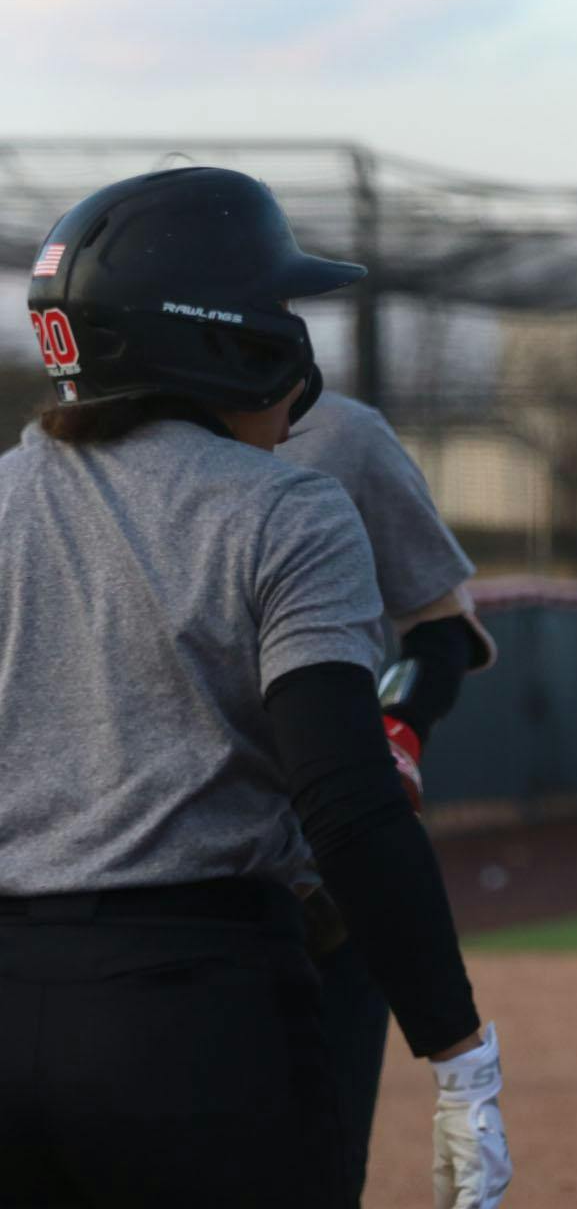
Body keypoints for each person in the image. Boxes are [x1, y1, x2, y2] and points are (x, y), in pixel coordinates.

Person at [0, 167, 510, 1209]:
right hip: (195, 1008)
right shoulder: (286, 505)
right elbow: (349, 804)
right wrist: (455, 1044)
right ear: (213, 332)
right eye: (273, 308)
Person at [277, 389, 499, 1205]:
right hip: (172, 888)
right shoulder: (55, 469)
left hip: (322, 869)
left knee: (318, 1170)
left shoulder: (340, 436)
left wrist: (399, 729)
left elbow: (440, 628)